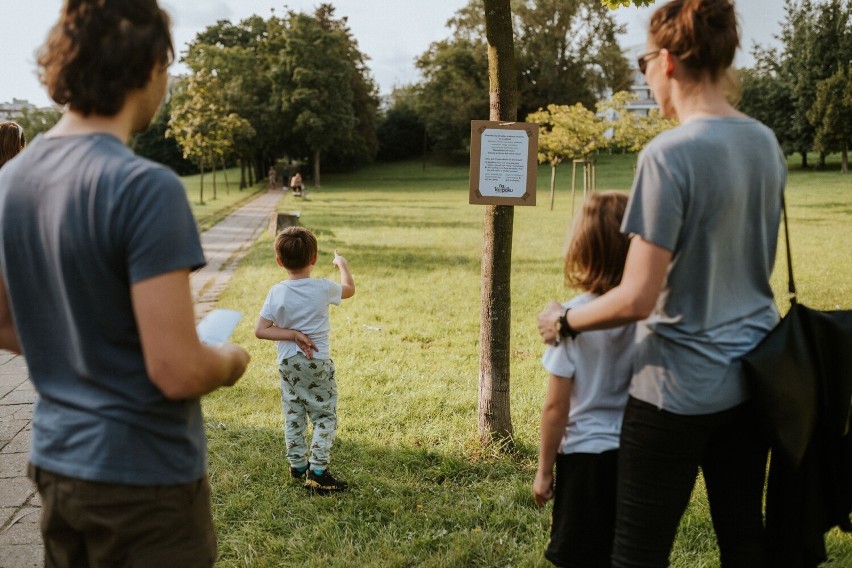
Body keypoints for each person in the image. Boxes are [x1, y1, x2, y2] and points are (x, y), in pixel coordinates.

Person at [0, 1, 250, 566]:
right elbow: (177, 369)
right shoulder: (145, 187)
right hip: (145, 485)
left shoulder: (10, 181)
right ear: (151, 66)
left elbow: (3, 320)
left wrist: (78, 349)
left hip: (57, 467)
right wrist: (230, 359)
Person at [536, 1, 786, 566]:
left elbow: (637, 297)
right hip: (752, 379)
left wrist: (564, 320)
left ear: (667, 61)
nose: (646, 71)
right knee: (745, 541)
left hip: (674, 389)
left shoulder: (669, 154)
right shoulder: (764, 143)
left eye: (644, 59)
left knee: (637, 554)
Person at [532, 192, 636, 568]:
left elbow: (556, 407)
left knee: (579, 554)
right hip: (635, 454)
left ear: (583, 246)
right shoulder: (647, 315)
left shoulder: (570, 319)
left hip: (584, 458)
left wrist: (544, 471)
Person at [255, 226, 354, 492]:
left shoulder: (276, 292)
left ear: (279, 261)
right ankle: (318, 472)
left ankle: (298, 465)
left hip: (288, 363)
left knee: (294, 412)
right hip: (316, 362)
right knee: (324, 417)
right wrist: (342, 264)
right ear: (314, 259)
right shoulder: (322, 288)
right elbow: (349, 289)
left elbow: (260, 330)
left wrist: (291, 334)